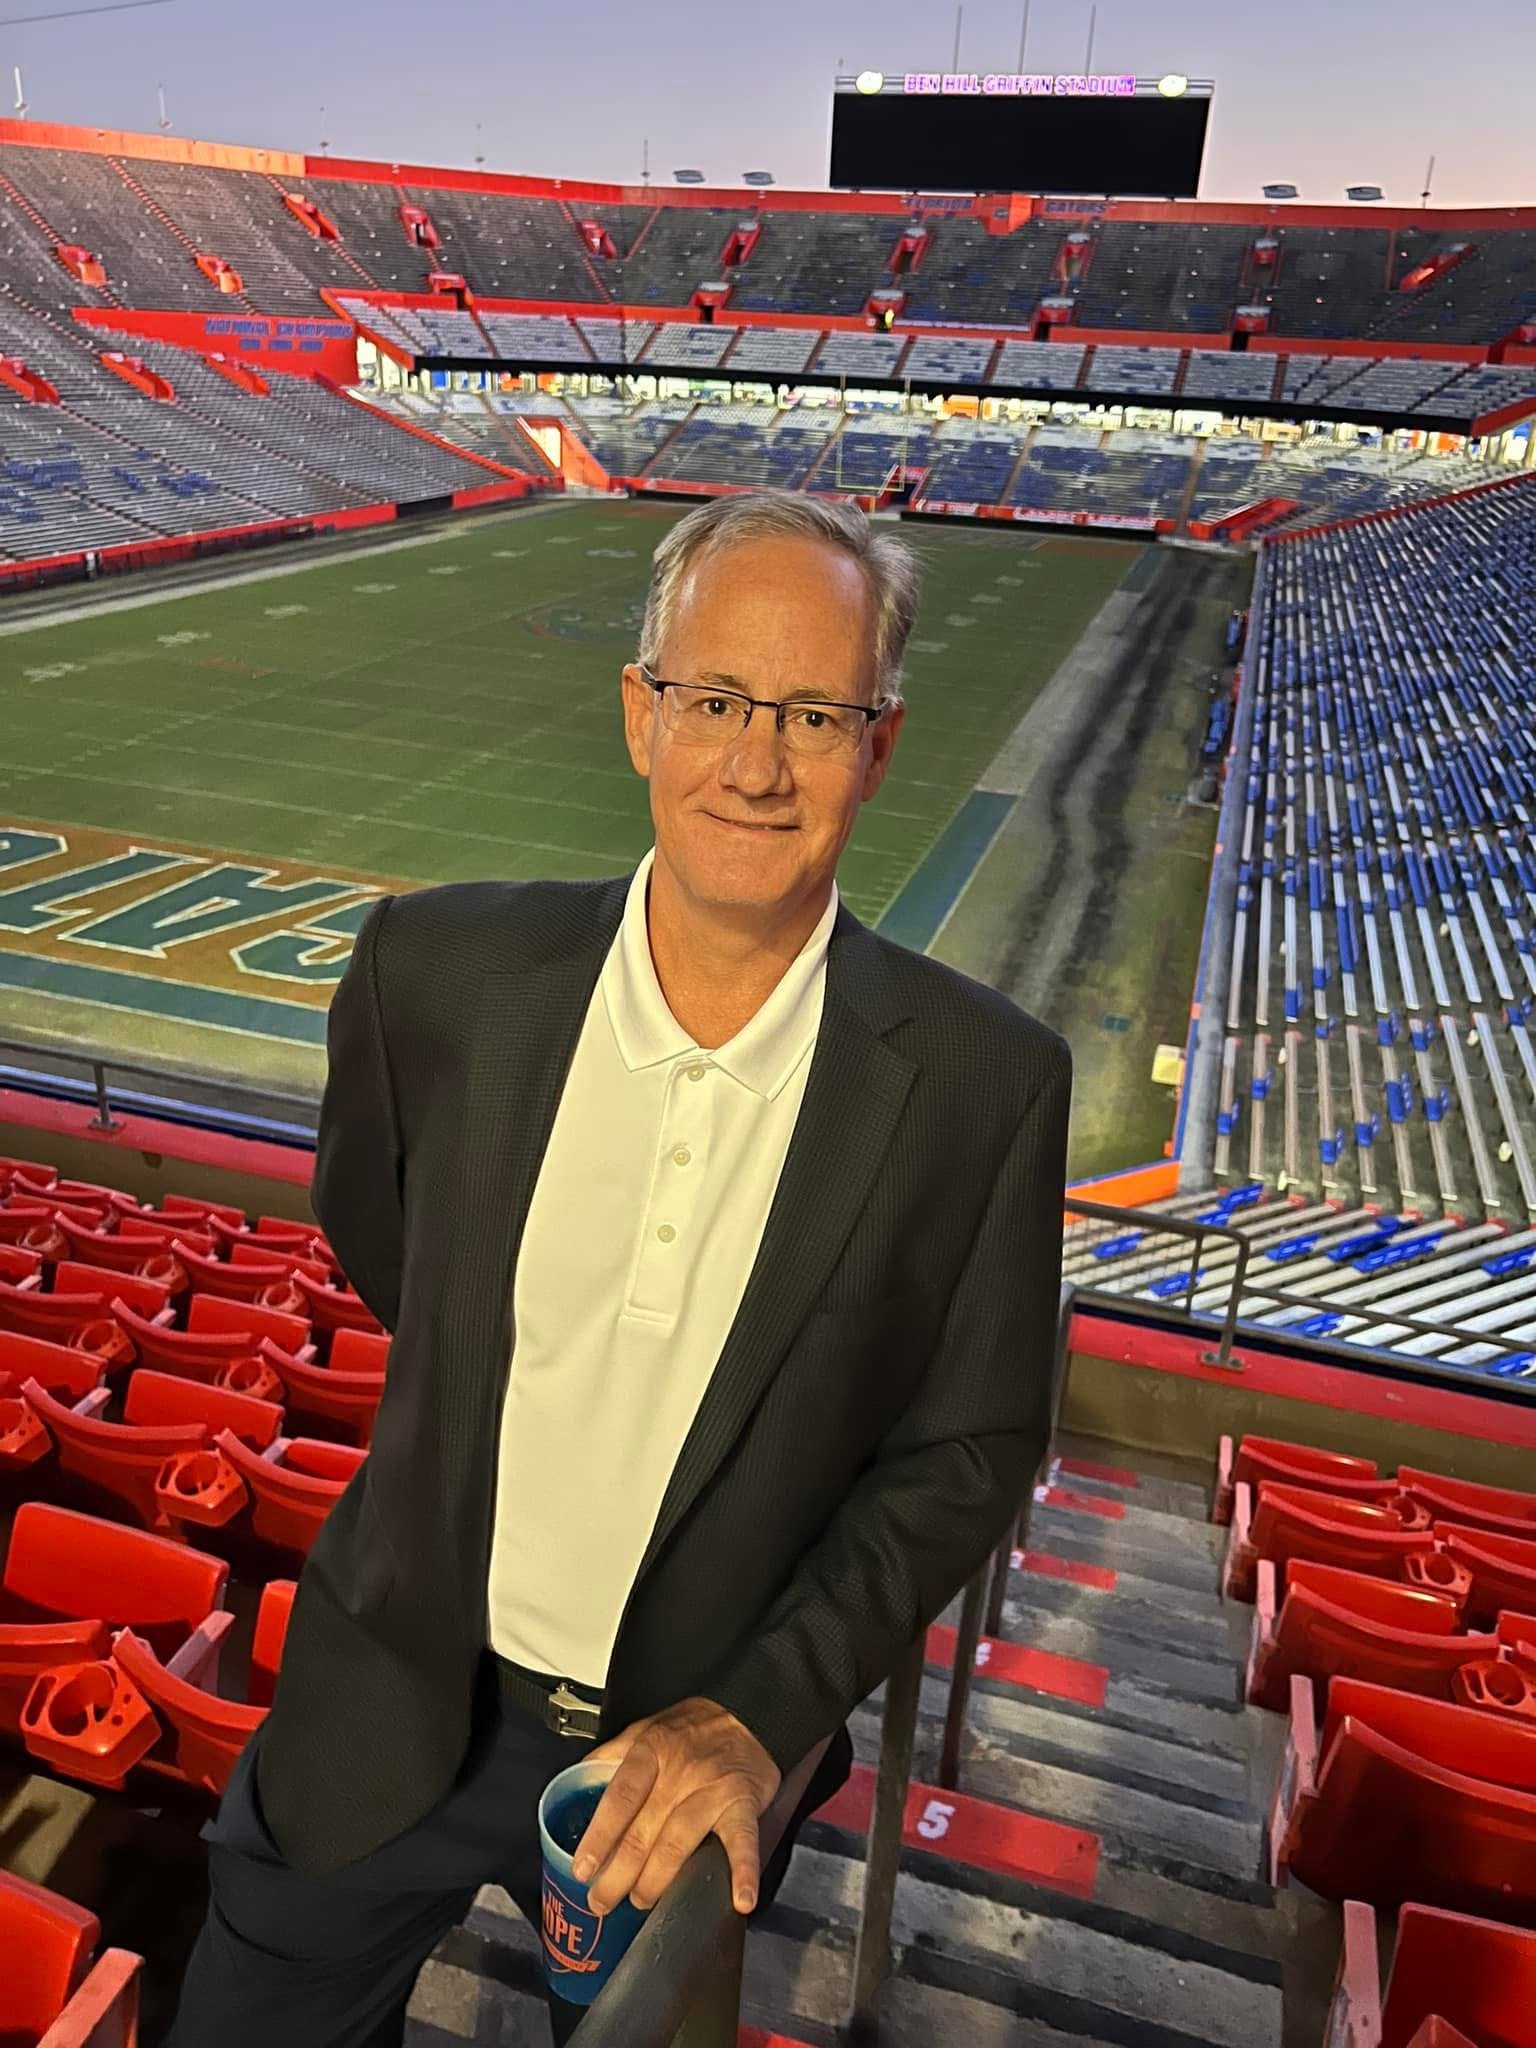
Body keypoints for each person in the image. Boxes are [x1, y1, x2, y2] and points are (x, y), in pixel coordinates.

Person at [166, 488, 1072, 2047]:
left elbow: (970, 1443)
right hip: (387, 1693)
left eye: (811, 711)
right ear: (643, 715)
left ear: (882, 743)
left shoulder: (986, 1083)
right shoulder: (433, 974)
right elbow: (403, 1259)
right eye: (715, 699)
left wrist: (763, 1709)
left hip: (681, 1764)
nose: (755, 761)